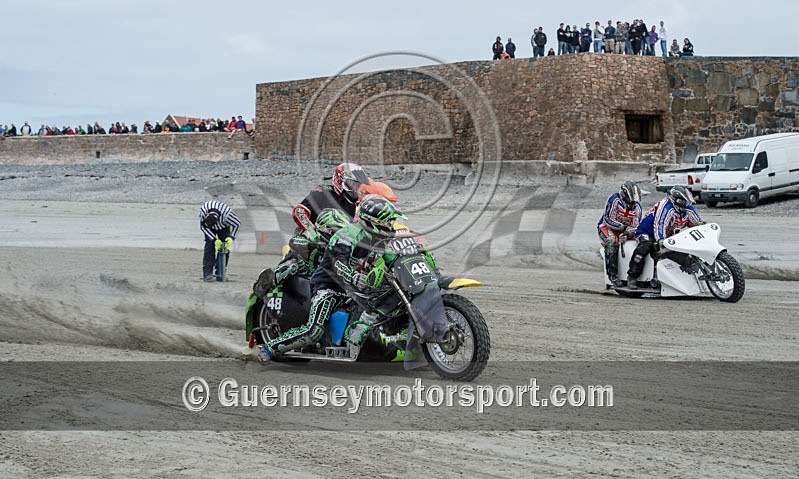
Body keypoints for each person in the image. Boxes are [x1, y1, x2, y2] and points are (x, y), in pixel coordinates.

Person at [257, 195, 408, 361]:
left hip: (352, 289)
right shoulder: (344, 237)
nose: (390, 226)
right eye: (386, 223)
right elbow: (338, 263)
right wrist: (354, 276)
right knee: (314, 331)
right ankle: (270, 348)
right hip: (328, 286)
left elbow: (393, 258)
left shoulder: (375, 239)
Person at [252, 208, 351, 298]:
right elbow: (294, 241)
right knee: (293, 265)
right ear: (326, 228)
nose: (340, 235)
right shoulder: (311, 234)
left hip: (320, 277)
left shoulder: (340, 245)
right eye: (337, 231)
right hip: (304, 270)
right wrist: (312, 245)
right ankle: (267, 284)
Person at [627, 186, 703, 288]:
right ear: (675, 199)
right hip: (647, 231)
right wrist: (661, 240)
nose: (685, 204)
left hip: (668, 234)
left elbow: (697, 223)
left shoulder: (687, 209)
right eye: (682, 201)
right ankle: (632, 276)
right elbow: (659, 224)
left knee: (680, 251)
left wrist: (703, 228)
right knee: (645, 247)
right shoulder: (666, 206)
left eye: (686, 201)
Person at [292, 162, 370, 231]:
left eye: (357, 185)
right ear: (340, 180)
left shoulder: (354, 202)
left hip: (337, 240)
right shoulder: (322, 193)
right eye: (352, 184)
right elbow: (299, 211)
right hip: (313, 237)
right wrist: (312, 230)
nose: (354, 188)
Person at [598, 181, 642, 286]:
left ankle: (634, 274)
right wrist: (623, 227)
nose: (632, 205)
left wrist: (628, 233)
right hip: (607, 227)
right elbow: (608, 219)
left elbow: (636, 225)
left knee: (639, 244)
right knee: (612, 242)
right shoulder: (614, 200)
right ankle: (612, 275)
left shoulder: (637, 207)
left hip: (625, 231)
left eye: (634, 202)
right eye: (630, 201)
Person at [199, 200, 241, 282]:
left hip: (224, 227)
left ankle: (221, 273)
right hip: (209, 229)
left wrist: (231, 237)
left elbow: (237, 224)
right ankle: (207, 274)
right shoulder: (203, 212)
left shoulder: (227, 214)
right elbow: (203, 227)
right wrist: (214, 239)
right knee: (209, 246)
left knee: (224, 248)